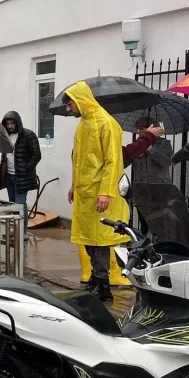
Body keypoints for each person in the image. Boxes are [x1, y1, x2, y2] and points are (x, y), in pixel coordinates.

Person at [63, 82, 129, 302]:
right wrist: (75, 185)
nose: (68, 109)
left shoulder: (106, 124)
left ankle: (103, 284)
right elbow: (80, 160)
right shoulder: (84, 124)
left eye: (69, 103)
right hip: (86, 193)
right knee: (89, 238)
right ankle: (95, 278)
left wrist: (106, 192)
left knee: (99, 239)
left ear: (80, 100)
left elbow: (113, 161)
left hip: (100, 193)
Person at [0, 112, 41, 235]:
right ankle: (16, 229)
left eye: (12, 123)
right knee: (13, 204)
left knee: (20, 204)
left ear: (17, 122)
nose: (10, 126)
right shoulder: (7, 136)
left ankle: (23, 232)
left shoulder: (28, 135)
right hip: (9, 176)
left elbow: (36, 155)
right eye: (7, 123)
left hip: (22, 176)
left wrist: (27, 168)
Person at [129, 117, 173, 234]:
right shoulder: (137, 144)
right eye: (138, 129)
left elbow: (167, 161)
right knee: (144, 223)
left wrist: (150, 149)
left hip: (159, 189)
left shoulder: (165, 144)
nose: (138, 132)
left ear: (151, 128)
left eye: (142, 129)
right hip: (141, 189)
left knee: (159, 223)